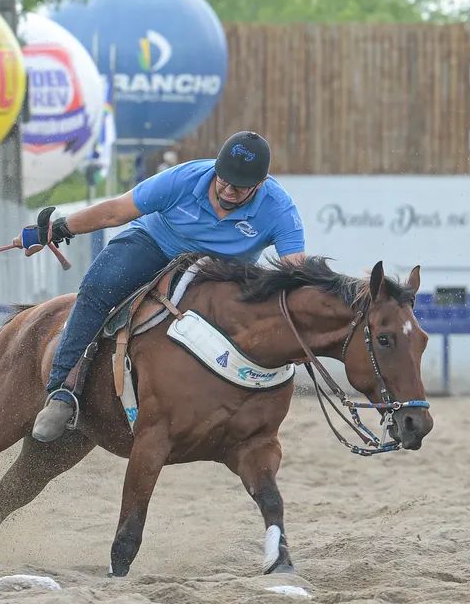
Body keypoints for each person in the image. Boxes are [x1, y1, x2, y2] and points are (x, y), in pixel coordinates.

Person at [18, 130, 307, 443]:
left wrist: (300, 323)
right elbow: (115, 211)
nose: (228, 190)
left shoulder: (280, 209)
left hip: (222, 270)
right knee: (98, 287)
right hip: (154, 244)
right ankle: (62, 393)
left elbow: (295, 271)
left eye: (240, 186)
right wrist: (56, 228)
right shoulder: (183, 179)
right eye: (223, 179)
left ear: (261, 184)